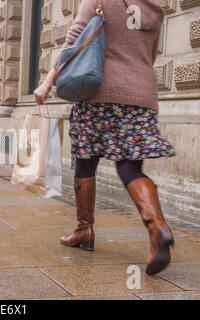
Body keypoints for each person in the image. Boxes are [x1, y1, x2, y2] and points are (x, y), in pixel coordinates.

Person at [34, 0, 175, 275]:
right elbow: (151, 54)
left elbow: (72, 44)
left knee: (86, 158)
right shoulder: (154, 7)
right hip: (141, 93)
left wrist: (47, 83)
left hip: (98, 91)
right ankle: (157, 226)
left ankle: (84, 230)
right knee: (129, 165)